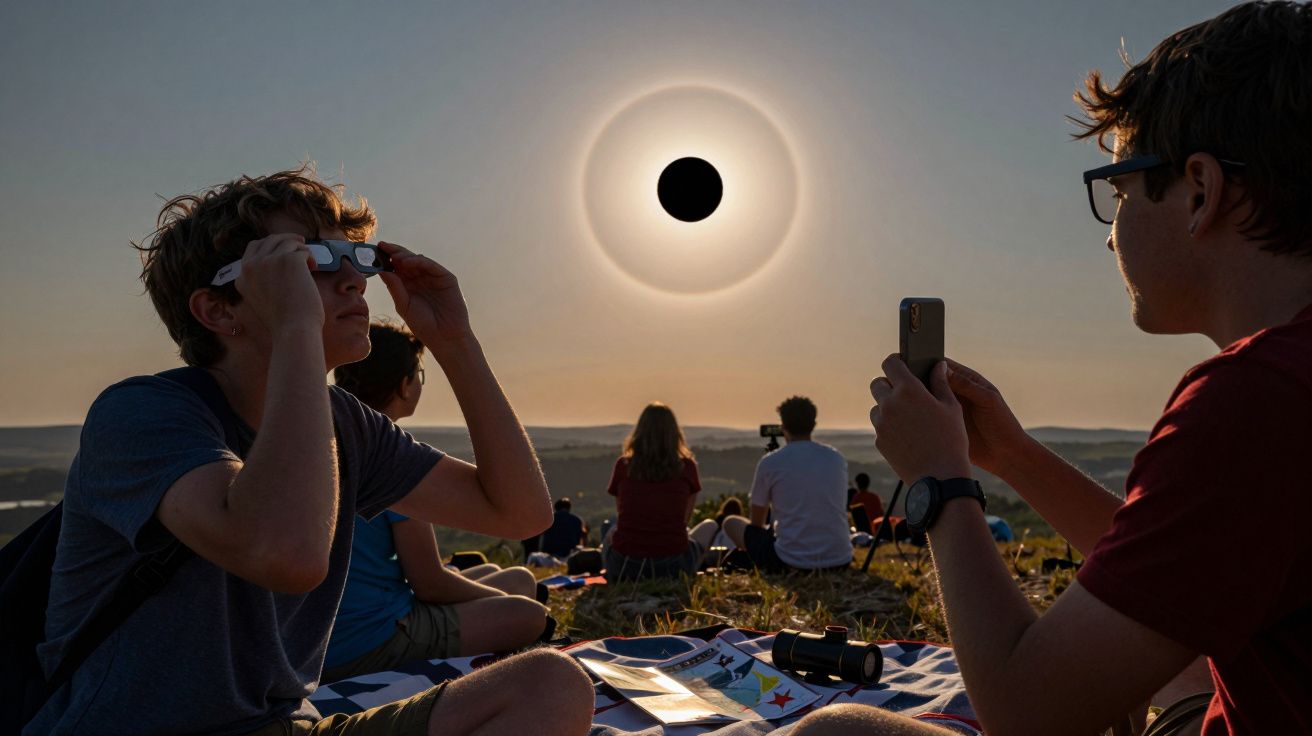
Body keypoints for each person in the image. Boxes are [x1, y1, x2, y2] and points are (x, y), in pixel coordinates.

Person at [793, 3, 1312, 734]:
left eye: (1121, 189)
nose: (1110, 236)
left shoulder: (1253, 400)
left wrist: (940, 484)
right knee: (1174, 644)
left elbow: (1025, 712)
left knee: (834, 730)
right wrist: (1009, 454)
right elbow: (1176, 568)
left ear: (1200, 190)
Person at [27, 168, 594, 736]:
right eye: (311, 261)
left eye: (354, 257)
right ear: (220, 310)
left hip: (283, 725)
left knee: (549, 683)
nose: (354, 280)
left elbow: (519, 512)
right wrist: (298, 322)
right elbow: (287, 555)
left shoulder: (344, 423)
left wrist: (454, 340)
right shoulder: (142, 415)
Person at [324, 321, 547, 682]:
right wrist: (490, 600)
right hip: (370, 636)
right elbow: (430, 583)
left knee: (519, 578)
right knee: (529, 613)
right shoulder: (387, 456)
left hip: (334, 623)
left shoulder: (329, 435)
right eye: (419, 375)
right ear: (404, 385)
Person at [721, 396, 852, 572]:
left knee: (730, 522)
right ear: (813, 424)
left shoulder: (771, 462)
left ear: (783, 426)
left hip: (790, 560)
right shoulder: (836, 458)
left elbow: (756, 523)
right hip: (840, 559)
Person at [603, 403, 718, 581]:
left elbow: (622, 513)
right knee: (710, 525)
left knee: (609, 528)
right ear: (674, 433)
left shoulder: (624, 466)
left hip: (626, 566)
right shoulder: (687, 467)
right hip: (674, 564)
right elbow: (683, 521)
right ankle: (695, 568)